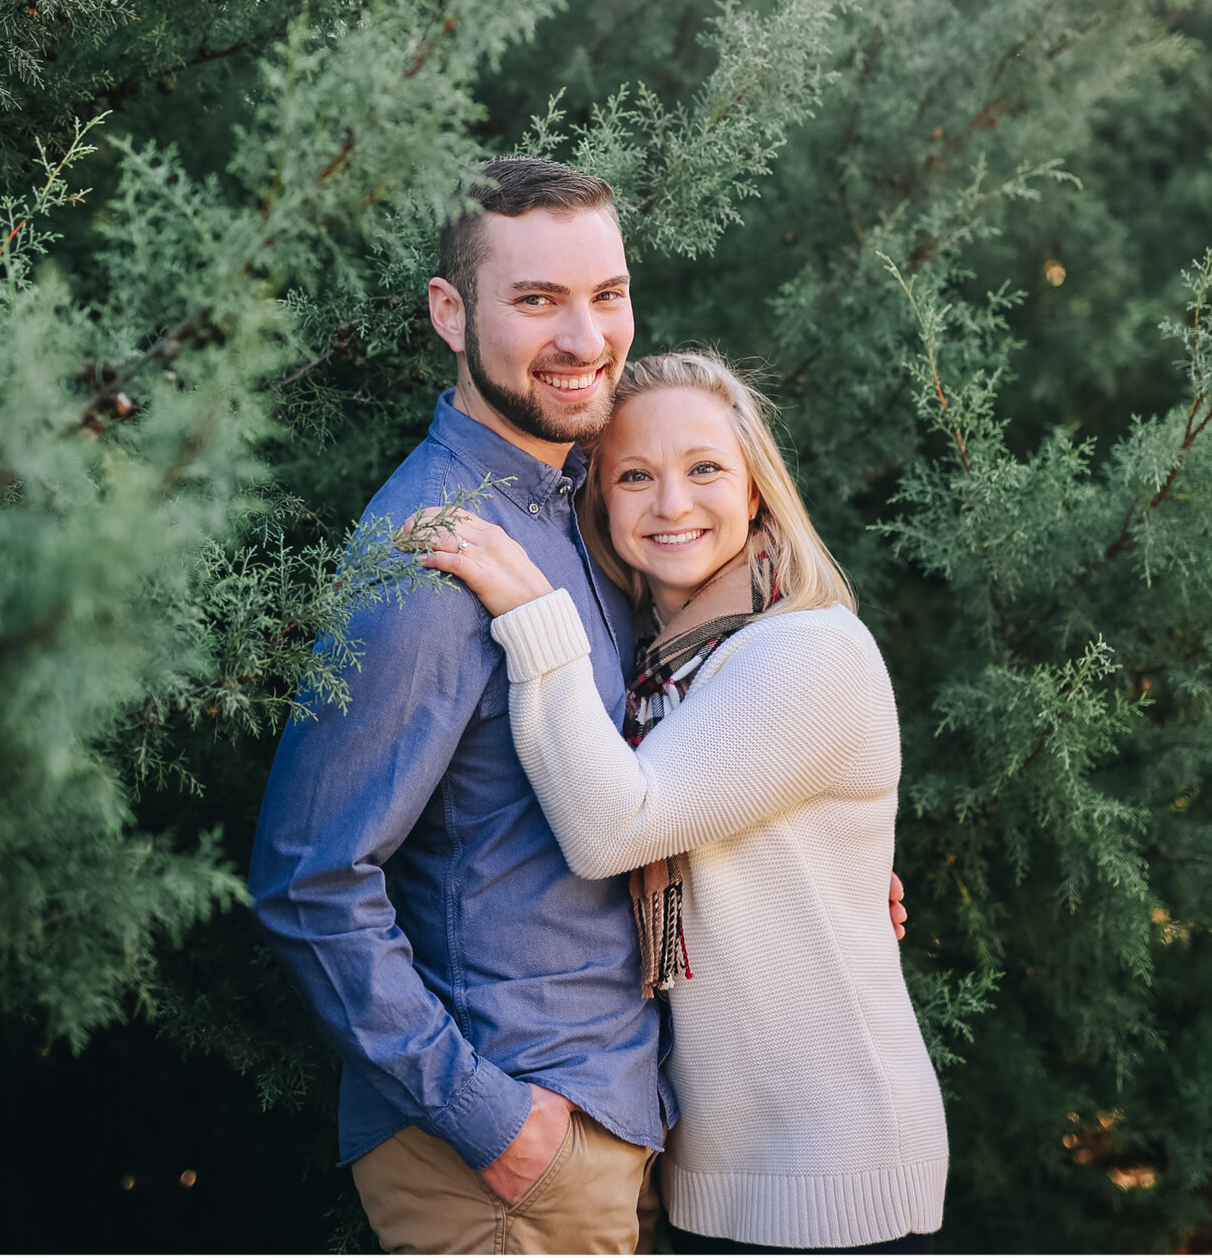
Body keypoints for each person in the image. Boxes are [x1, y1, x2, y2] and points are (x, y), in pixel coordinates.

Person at [248, 158, 904, 1254]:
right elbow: (310, 874)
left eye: (607, 294)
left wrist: (802, 866)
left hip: (611, 1125)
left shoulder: (585, 512)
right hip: (505, 1152)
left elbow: (661, 763)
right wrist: (488, 1119)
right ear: (451, 313)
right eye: (537, 298)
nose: (584, 337)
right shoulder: (434, 552)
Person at [413, 350, 948, 1254]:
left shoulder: (809, 651)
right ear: (601, 504)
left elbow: (612, 824)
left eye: (704, 468)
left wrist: (531, 613)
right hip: (714, 1169)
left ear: (756, 491)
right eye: (634, 474)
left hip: (831, 1160)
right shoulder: (659, 680)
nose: (671, 502)